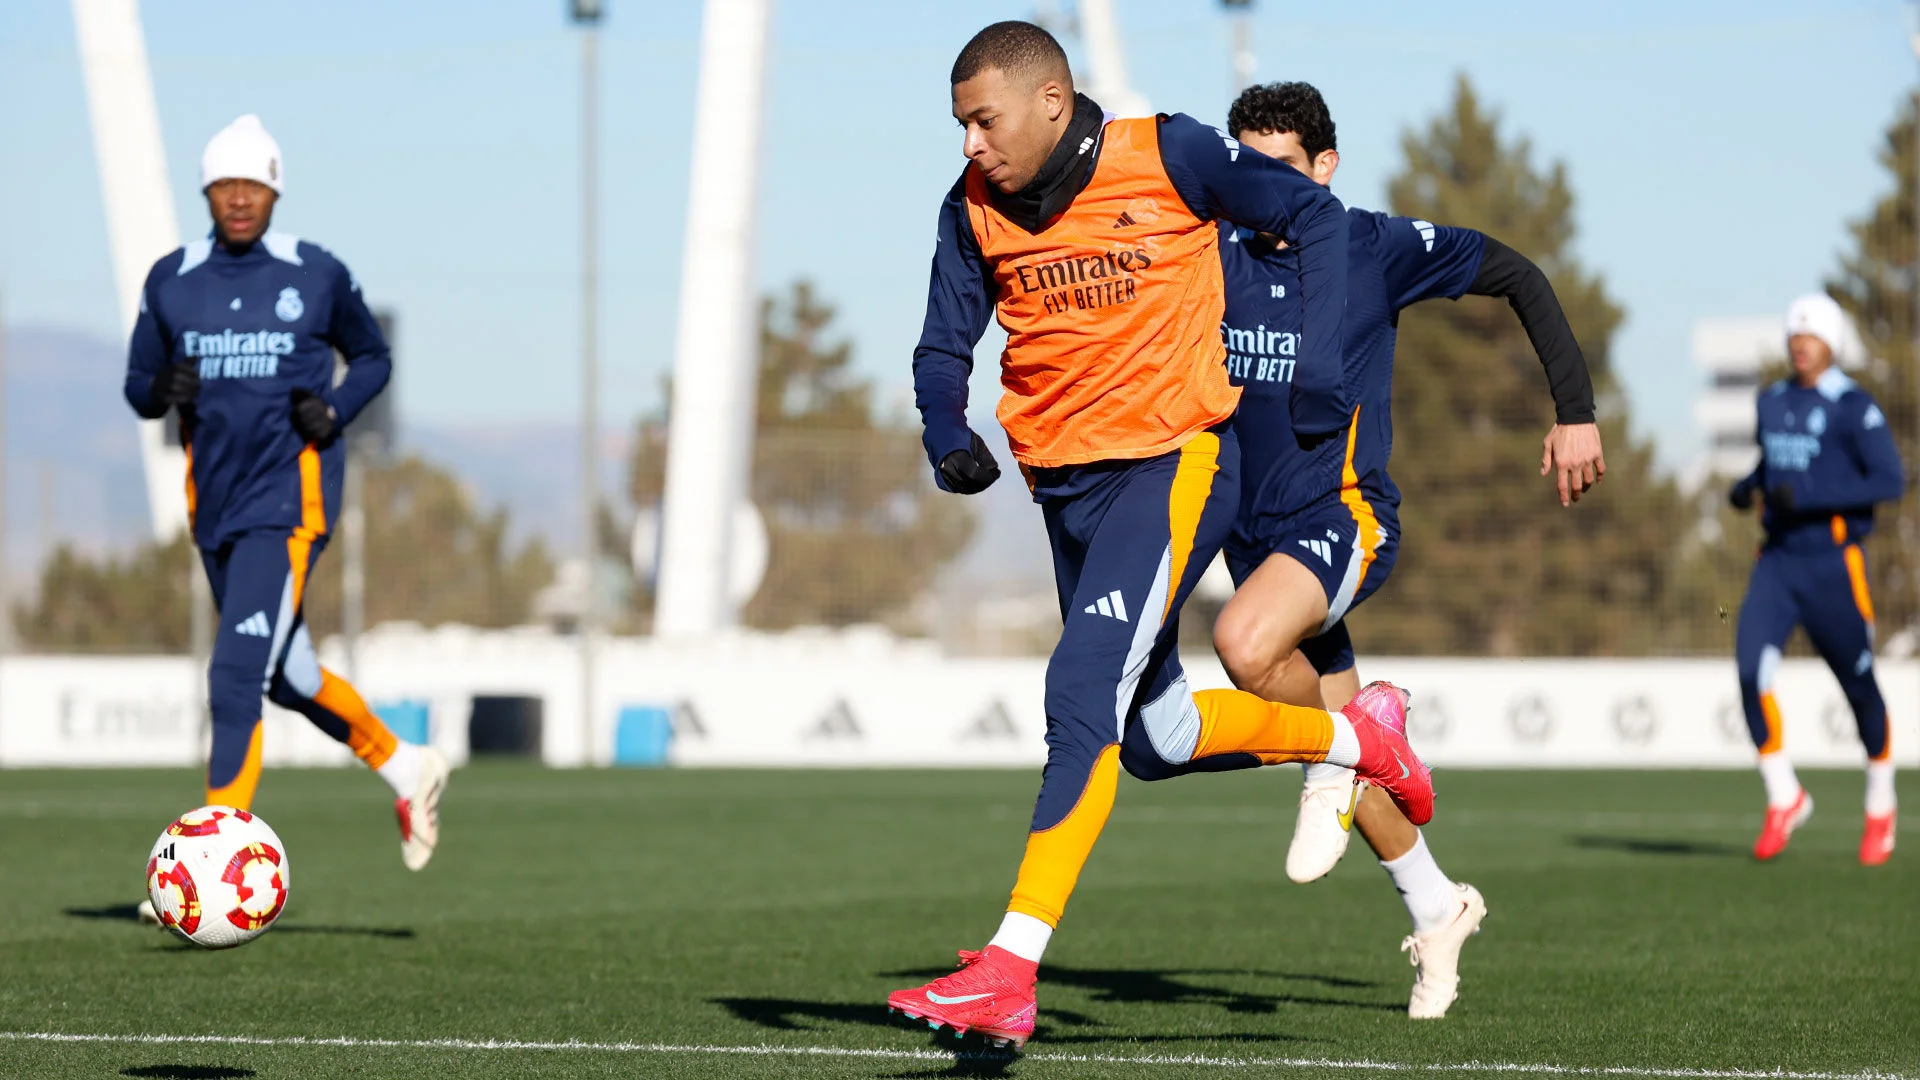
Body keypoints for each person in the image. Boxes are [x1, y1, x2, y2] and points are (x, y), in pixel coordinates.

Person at [886, 24, 1434, 1049]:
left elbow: (1315, 219)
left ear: (1052, 101)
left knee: (1079, 687)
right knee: (1154, 740)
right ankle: (1358, 735)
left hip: (1174, 464)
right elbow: (942, 337)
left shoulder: (1169, 153)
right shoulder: (970, 211)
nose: (970, 144)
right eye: (959, 124)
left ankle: (1011, 964)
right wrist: (945, 426)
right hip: (1065, 490)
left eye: (983, 120)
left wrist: (1318, 363)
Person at [1200, 82, 1604, 1017]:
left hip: (1343, 519)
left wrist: (1575, 413)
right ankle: (1440, 907)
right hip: (1252, 541)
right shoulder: (1208, 248)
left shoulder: (1373, 248)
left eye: (1282, 171)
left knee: (1243, 650)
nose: (1260, 192)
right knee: (1336, 758)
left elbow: (1519, 274)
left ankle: (1351, 744)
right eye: (1244, 170)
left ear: (1326, 169)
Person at [124, 116, 448, 914]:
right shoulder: (172, 278)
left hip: (288, 503)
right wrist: (163, 391)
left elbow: (373, 356)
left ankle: (211, 858)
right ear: (205, 192)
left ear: (275, 190)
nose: (239, 200)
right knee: (289, 676)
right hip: (217, 508)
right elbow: (138, 387)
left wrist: (333, 411)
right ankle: (407, 766)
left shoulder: (316, 272)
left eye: (254, 186)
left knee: (235, 674)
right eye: (224, 186)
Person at [1729, 293, 1904, 865]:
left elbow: (1889, 480)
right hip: (1778, 561)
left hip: (1833, 564)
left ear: (1832, 341)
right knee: (1752, 668)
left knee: (1859, 690)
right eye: (1794, 334)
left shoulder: (1853, 405)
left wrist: (1806, 497)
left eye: (1813, 334)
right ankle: (1785, 793)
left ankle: (1880, 802)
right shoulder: (1773, 401)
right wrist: (1748, 485)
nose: (1801, 343)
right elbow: (1774, 466)